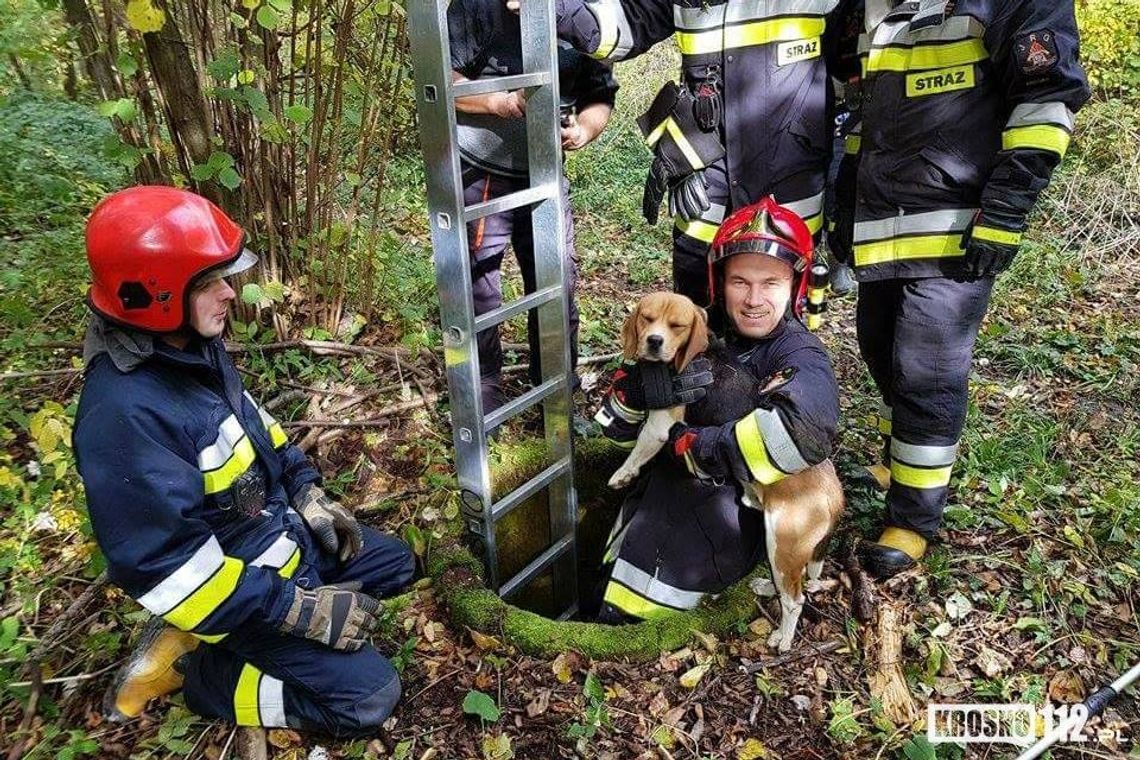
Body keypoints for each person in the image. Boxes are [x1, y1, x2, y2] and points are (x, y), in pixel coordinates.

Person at [73, 187, 415, 752]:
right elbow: (167, 566)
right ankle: (196, 676)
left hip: (276, 537)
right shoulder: (124, 417)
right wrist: (297, 610)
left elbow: (255, 430)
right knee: (368, 698)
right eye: (210, 281)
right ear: (155, 292)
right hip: (239, 591)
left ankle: (230, 629)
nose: (231, 292)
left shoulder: (185, 345)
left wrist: (308, 494)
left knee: (397, 565)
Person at [829, 0, 1091, 578]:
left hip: (957, 228)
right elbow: (864, 113)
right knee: (878, 347)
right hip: (883, 225)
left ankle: (913, 520)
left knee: (927, 370)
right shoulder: (873, 6)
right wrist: (844, 205)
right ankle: (903, 461)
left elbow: (1045, 104)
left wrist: (1005, 211)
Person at [593, 198, 839, 620]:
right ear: (719, 281)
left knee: (642, 611)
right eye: (740, 282)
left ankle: (638, 626)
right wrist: (635, 392)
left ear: (795, 286)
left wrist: (695, 445)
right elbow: (615, 431)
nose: (753, 299)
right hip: (655, 495)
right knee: (611, 577)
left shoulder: (801, 355)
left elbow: (803, 434)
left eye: (771, 284)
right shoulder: (689, 325)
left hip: (726, 512)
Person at [554, 0, 863, 307]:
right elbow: (618, 24)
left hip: (789, 187)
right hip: (704, 181)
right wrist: (552, 9)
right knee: (697, 313)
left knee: (776, 324)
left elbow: (860, 59)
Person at [448, 0, 618, 414]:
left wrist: (583, 130)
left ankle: (557, 396)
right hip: (484, 171)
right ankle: (484, 397)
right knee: (480, 287)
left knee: (556, 283)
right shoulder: (477, 7)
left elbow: (601, 93)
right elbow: (442, 80)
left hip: (545, 173)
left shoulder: (583, 16)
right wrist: (500, 102)